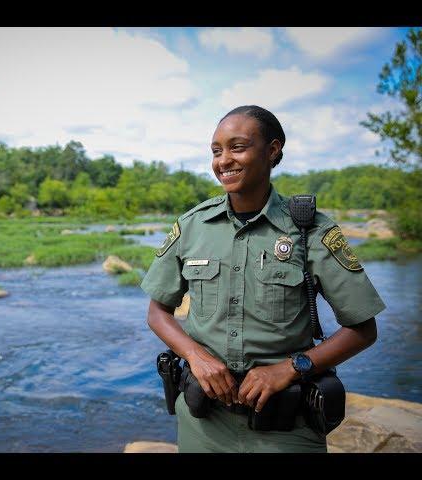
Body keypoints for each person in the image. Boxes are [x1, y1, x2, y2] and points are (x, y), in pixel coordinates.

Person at [140, 105, 386, 453]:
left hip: (286, 430)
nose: (223, 160)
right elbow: (157, 312)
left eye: (237, 147)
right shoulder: (193, 226)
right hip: (203, 425)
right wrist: (196, 356)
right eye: (216, 151)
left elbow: (363, 328)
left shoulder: (311, 230)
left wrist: (292, 367)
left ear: (272, 150)